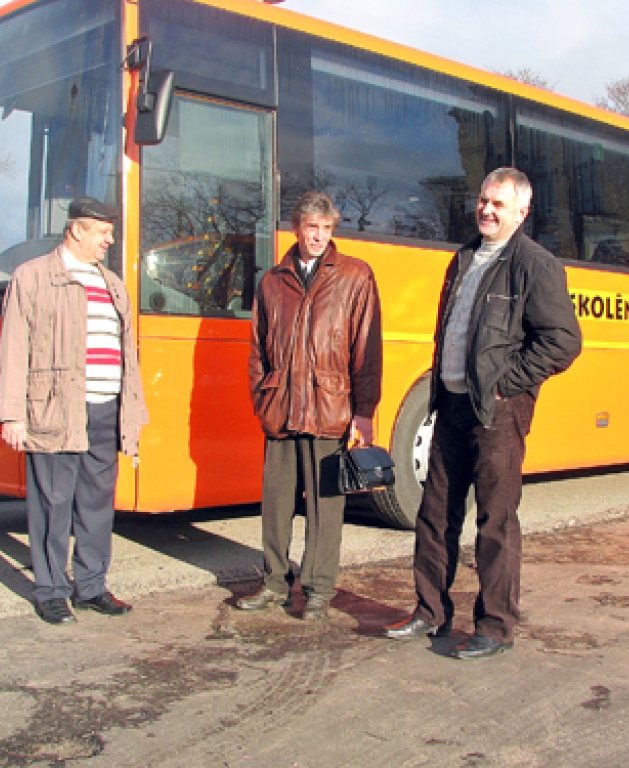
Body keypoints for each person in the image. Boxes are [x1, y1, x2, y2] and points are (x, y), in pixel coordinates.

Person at [383, 168, 582, 658]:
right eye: (483, 200)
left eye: (498, 203)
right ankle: (430, 612)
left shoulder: (535, 265)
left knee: (495, 520)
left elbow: (563, 342)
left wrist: (502, 385)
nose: (487, 210)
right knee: (435, 514)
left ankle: (495, 625)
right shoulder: (464, 258)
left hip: (497, 412)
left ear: (522, 211)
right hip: (450, 405)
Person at [0, 197, 149, 625]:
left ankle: (92, 587)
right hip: (55, 409)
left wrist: (131, 414)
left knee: (97, 503)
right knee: (52, 502)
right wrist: (12, 414)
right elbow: (13, 349)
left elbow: (127, 356)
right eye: (102, 232)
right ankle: (50, 590)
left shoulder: (112, 282)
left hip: (106, 410)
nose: (109, 240)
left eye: (110, 233)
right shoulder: (32, 277)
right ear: (77, 230)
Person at [242, 191, 382, 620]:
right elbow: (256, 351)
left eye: (326, 228)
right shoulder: (271, 281)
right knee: (276, 505)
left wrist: (364, 411)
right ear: (296, 227)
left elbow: (366, 348)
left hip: (330, 408)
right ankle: (272, 583)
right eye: (311, 227)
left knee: (326, 507)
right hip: (281, 408)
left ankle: (319, 591)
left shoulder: (355, 276)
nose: (318, 236)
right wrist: (262, 396)